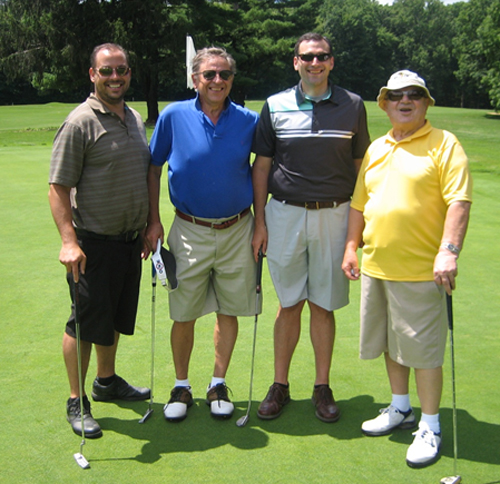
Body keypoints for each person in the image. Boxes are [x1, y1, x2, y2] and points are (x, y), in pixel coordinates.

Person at [342, 70, 472, 468]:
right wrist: (351, 246)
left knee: (423, 350)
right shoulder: (378, 147)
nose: (405, 100)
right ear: (384, 104)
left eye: (414, 95)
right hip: (377, 264)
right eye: (396, 95)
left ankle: (430, 424)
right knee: (388, 343)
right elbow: (359, 204)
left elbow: (459, 202)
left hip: (421, 270)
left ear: (426, 102)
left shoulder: (444, 144)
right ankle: (401, 408)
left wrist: (448, 251)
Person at [252, 33, 370, 422]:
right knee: (289, 304)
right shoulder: (275, 105)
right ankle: (280, 385)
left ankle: (322, 386)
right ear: (295, 61)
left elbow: (361, 169)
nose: (314, 63)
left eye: (322, 57)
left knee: (323, 304)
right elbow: (263, 166)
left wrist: (360, 225)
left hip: (335, 215)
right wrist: (260, 221)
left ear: (332, 62)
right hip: (284, 213)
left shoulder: (352, 105)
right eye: (307, 57)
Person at [146, 46, 259, 422]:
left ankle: (217, 383)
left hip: (237, 228)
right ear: (195, 79)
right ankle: (181, 385)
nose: (217, 81)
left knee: (230, 310)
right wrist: (153, 220)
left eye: (224, 74)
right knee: (184, 312)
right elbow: (154, 166)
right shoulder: (173, 116)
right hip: (189, 228)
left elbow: (262, 170)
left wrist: (261, 223)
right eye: (209, 74)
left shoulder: (248, 120)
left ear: (232, 79)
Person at [48, 43, 151, 439]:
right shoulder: (79, 123)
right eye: (106, 71)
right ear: (92, 74)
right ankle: (77, 400)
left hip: (128, 241)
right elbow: (58, 188)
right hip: (91, 244)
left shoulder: (134, 117)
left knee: (113, 320)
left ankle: (106, 383)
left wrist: (144, 226)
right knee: (85, 324)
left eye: (121, 70)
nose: (115, 77)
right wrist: (68, 241)